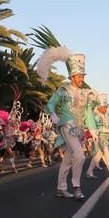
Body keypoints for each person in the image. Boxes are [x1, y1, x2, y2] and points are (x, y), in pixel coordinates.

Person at [38, 46, 95, 201]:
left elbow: (89, 114)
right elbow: (50, 104)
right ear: (72, 76)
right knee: (80, 156)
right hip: (66, 126)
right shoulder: (63, 90)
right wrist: (53, 114)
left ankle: (60, 188)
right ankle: (77, 187)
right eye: (79, 76)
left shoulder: (85, 94)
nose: (82, 79)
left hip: (78, 130)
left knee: (68, 159)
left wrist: (93, 130)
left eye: (83, 76)